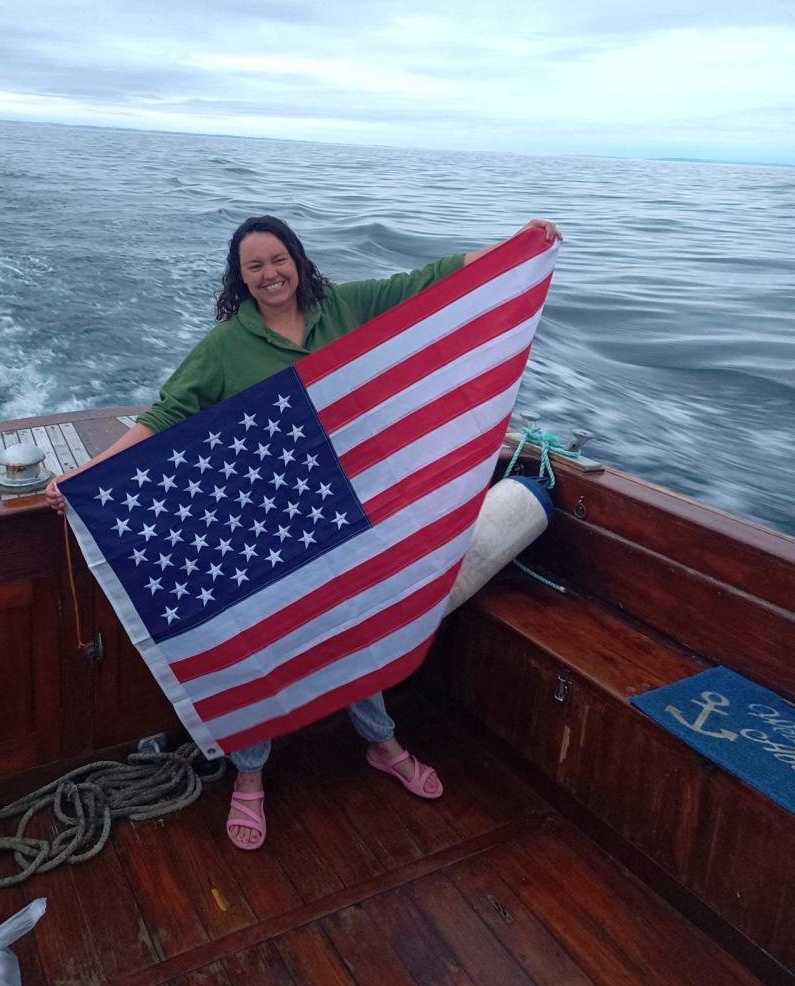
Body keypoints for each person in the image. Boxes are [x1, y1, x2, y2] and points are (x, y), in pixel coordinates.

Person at [47, 214, 561, 850]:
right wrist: (89, 473)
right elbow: (169, 412)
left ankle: (382, 741)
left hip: (350, 509)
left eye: (278, 259)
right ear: (239, 279)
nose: (270, 274)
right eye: (254, 266)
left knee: (357, 623)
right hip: (264, 521)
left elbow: (427, 283)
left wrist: (519, 247)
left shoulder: (343, 306)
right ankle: (250, 776)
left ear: (298, 259)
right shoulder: (226, 346)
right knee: (261, 641)